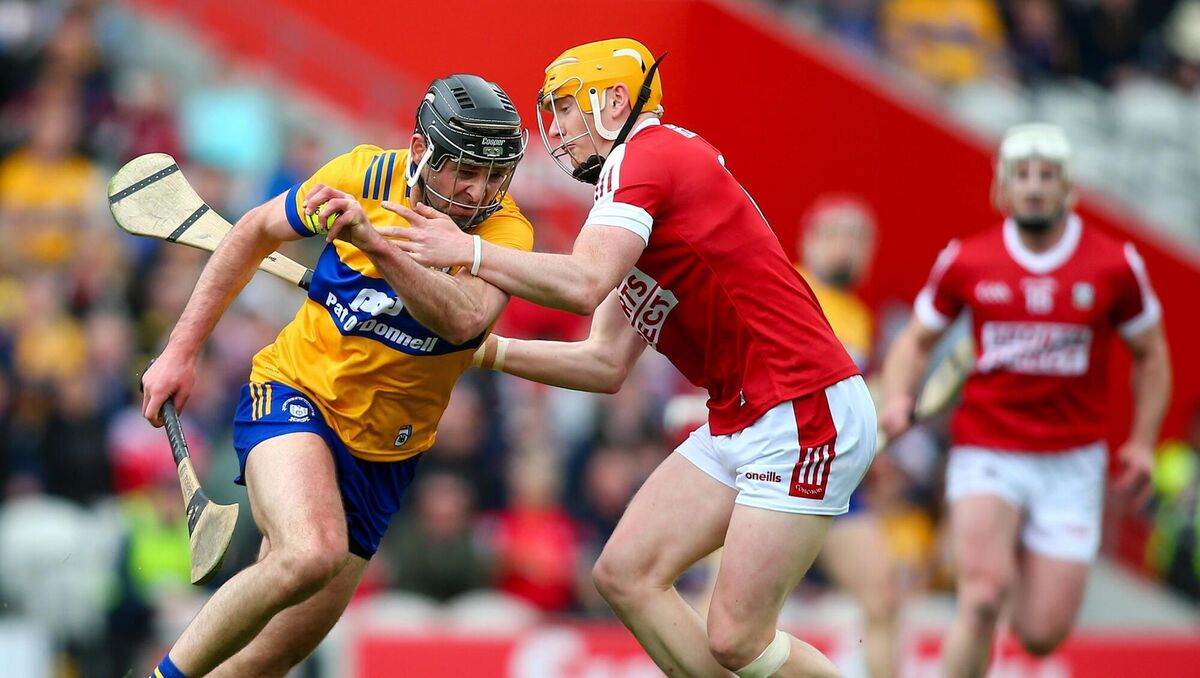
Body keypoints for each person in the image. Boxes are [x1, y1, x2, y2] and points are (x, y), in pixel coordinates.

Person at [393, 38, 876, 678]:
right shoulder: (630, 205)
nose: (556, 127)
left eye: (566, 107)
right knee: (626, 575)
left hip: (800, 405)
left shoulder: (647, 155)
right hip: (744, 415)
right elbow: (602, 362)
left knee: (738, 638)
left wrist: (470, 252)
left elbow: (582, 281)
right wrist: (480, 353)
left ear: (615, 100)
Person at [138, 73, 532, 678]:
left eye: (493, 176)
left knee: (271, 654)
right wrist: (180, 351)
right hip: (297, 393)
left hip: (386, 454)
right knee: (309, 553)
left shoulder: (505, 234)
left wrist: (376, 245)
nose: (477, 191)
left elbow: (464, 319)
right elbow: (251, 232)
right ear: (422, 149)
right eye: (462, 169)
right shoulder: (361, 175)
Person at [879, 123, 1172, 677]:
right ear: (1003, 187)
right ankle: (991, 577)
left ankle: (1018, 576)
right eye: (1023, 175)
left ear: (1068, 188)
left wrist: (1142, 442)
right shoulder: (967, 259)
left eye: (1047, 176)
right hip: (987, 448)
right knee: (983, 596)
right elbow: (915, 341)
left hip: (1072, 460)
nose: (1035, 187)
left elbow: (1152, 354)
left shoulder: (1115, 264)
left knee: (1041, 635)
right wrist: (898, 397)